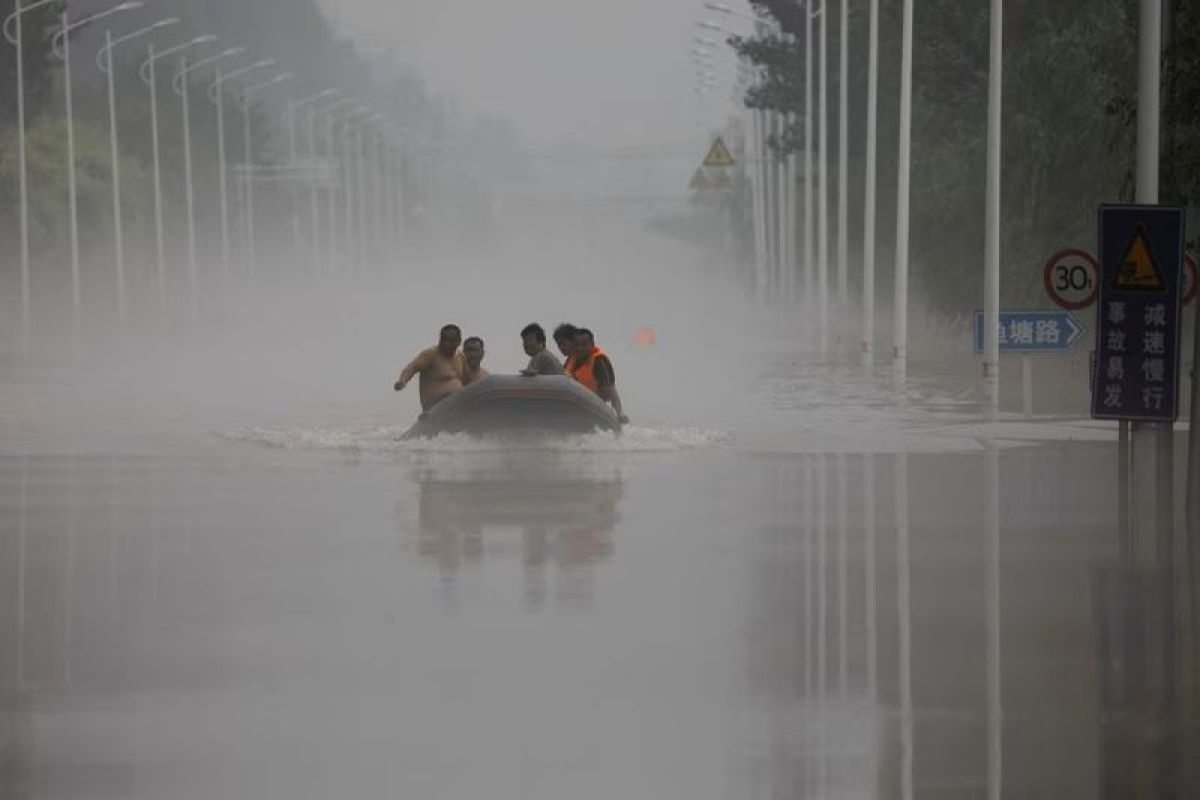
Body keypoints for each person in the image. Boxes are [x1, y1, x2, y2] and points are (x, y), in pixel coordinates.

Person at [393, 324, 464, 411]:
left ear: (459, 341)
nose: (446, 344)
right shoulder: (430, 355)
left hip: (456, 408)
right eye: (443, 340)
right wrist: (402, 381)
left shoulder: (460, 357)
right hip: (434, 409)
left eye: (450, 341)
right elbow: (412, 367)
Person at [567, 327, 628, 424]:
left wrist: (620, 413)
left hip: (594, 408)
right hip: (576, 407)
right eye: (577, 345)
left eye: (584, 344)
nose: (580, 348)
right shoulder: (571, 361)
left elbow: (610, 389)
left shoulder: (598, 362)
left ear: (592, 345)